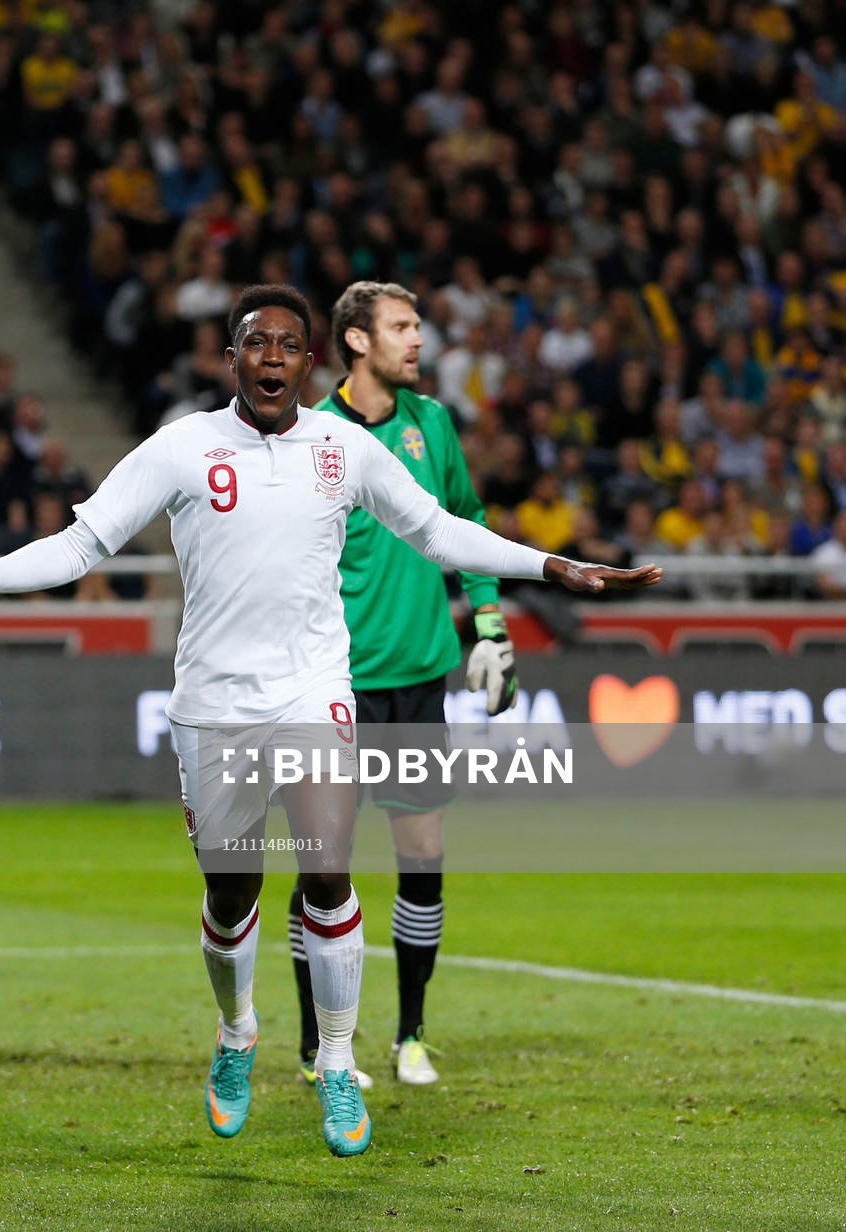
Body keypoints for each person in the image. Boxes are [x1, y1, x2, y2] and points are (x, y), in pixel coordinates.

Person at [0, 285, 661, 1158]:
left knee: (326, 871)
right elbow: (79, 546)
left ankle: (332, 1058)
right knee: (230, 895)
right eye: (257, 343)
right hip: (211, 705)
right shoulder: (182, 448)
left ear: (309, 361)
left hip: (313, 692)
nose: (274, 357)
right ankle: (238, 1031)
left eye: (289, 344)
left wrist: (554, 567)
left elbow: (438, 532)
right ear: (232, 360)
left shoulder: (344, 449)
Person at [288, 280, 523, 1095]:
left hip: (421, 676)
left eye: (417, 325)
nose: (417, 341)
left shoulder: (431, 425)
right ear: (356, 342)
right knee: (324, 865)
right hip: (335, 685)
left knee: (422, 856)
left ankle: (411, 1033)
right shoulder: (313, 435)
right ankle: (316, 1043)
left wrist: (488, 624)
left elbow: (465, 521)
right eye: (400, 327)